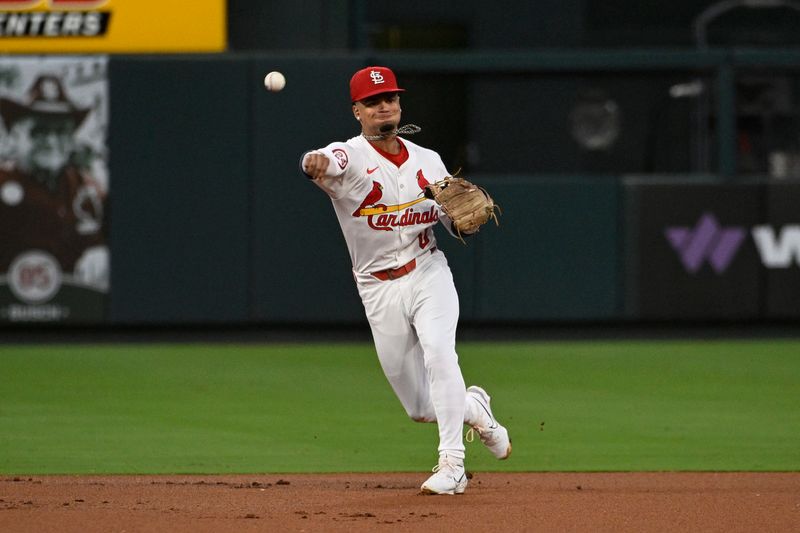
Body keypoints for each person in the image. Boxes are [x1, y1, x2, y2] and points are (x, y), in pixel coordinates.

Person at [301, 66, 511, 495]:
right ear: (357, 111)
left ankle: (452, 465)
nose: (385, 108)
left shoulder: (428, 160)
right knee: (419, 406)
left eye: (391, 99)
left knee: (439, 352)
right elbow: (324, 159)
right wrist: (312, 161)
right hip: (377, 287)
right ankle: (475, 408)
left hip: (427, 270)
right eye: (374, 102)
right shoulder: (348, 156)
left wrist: (463, 225)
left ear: (400, 106)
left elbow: (450, 219)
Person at [0, 74, 108, 293]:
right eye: (39, 131)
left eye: (61, 132)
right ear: (14, 136)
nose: (52, 142)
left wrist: (102, 251)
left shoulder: (86, 187)